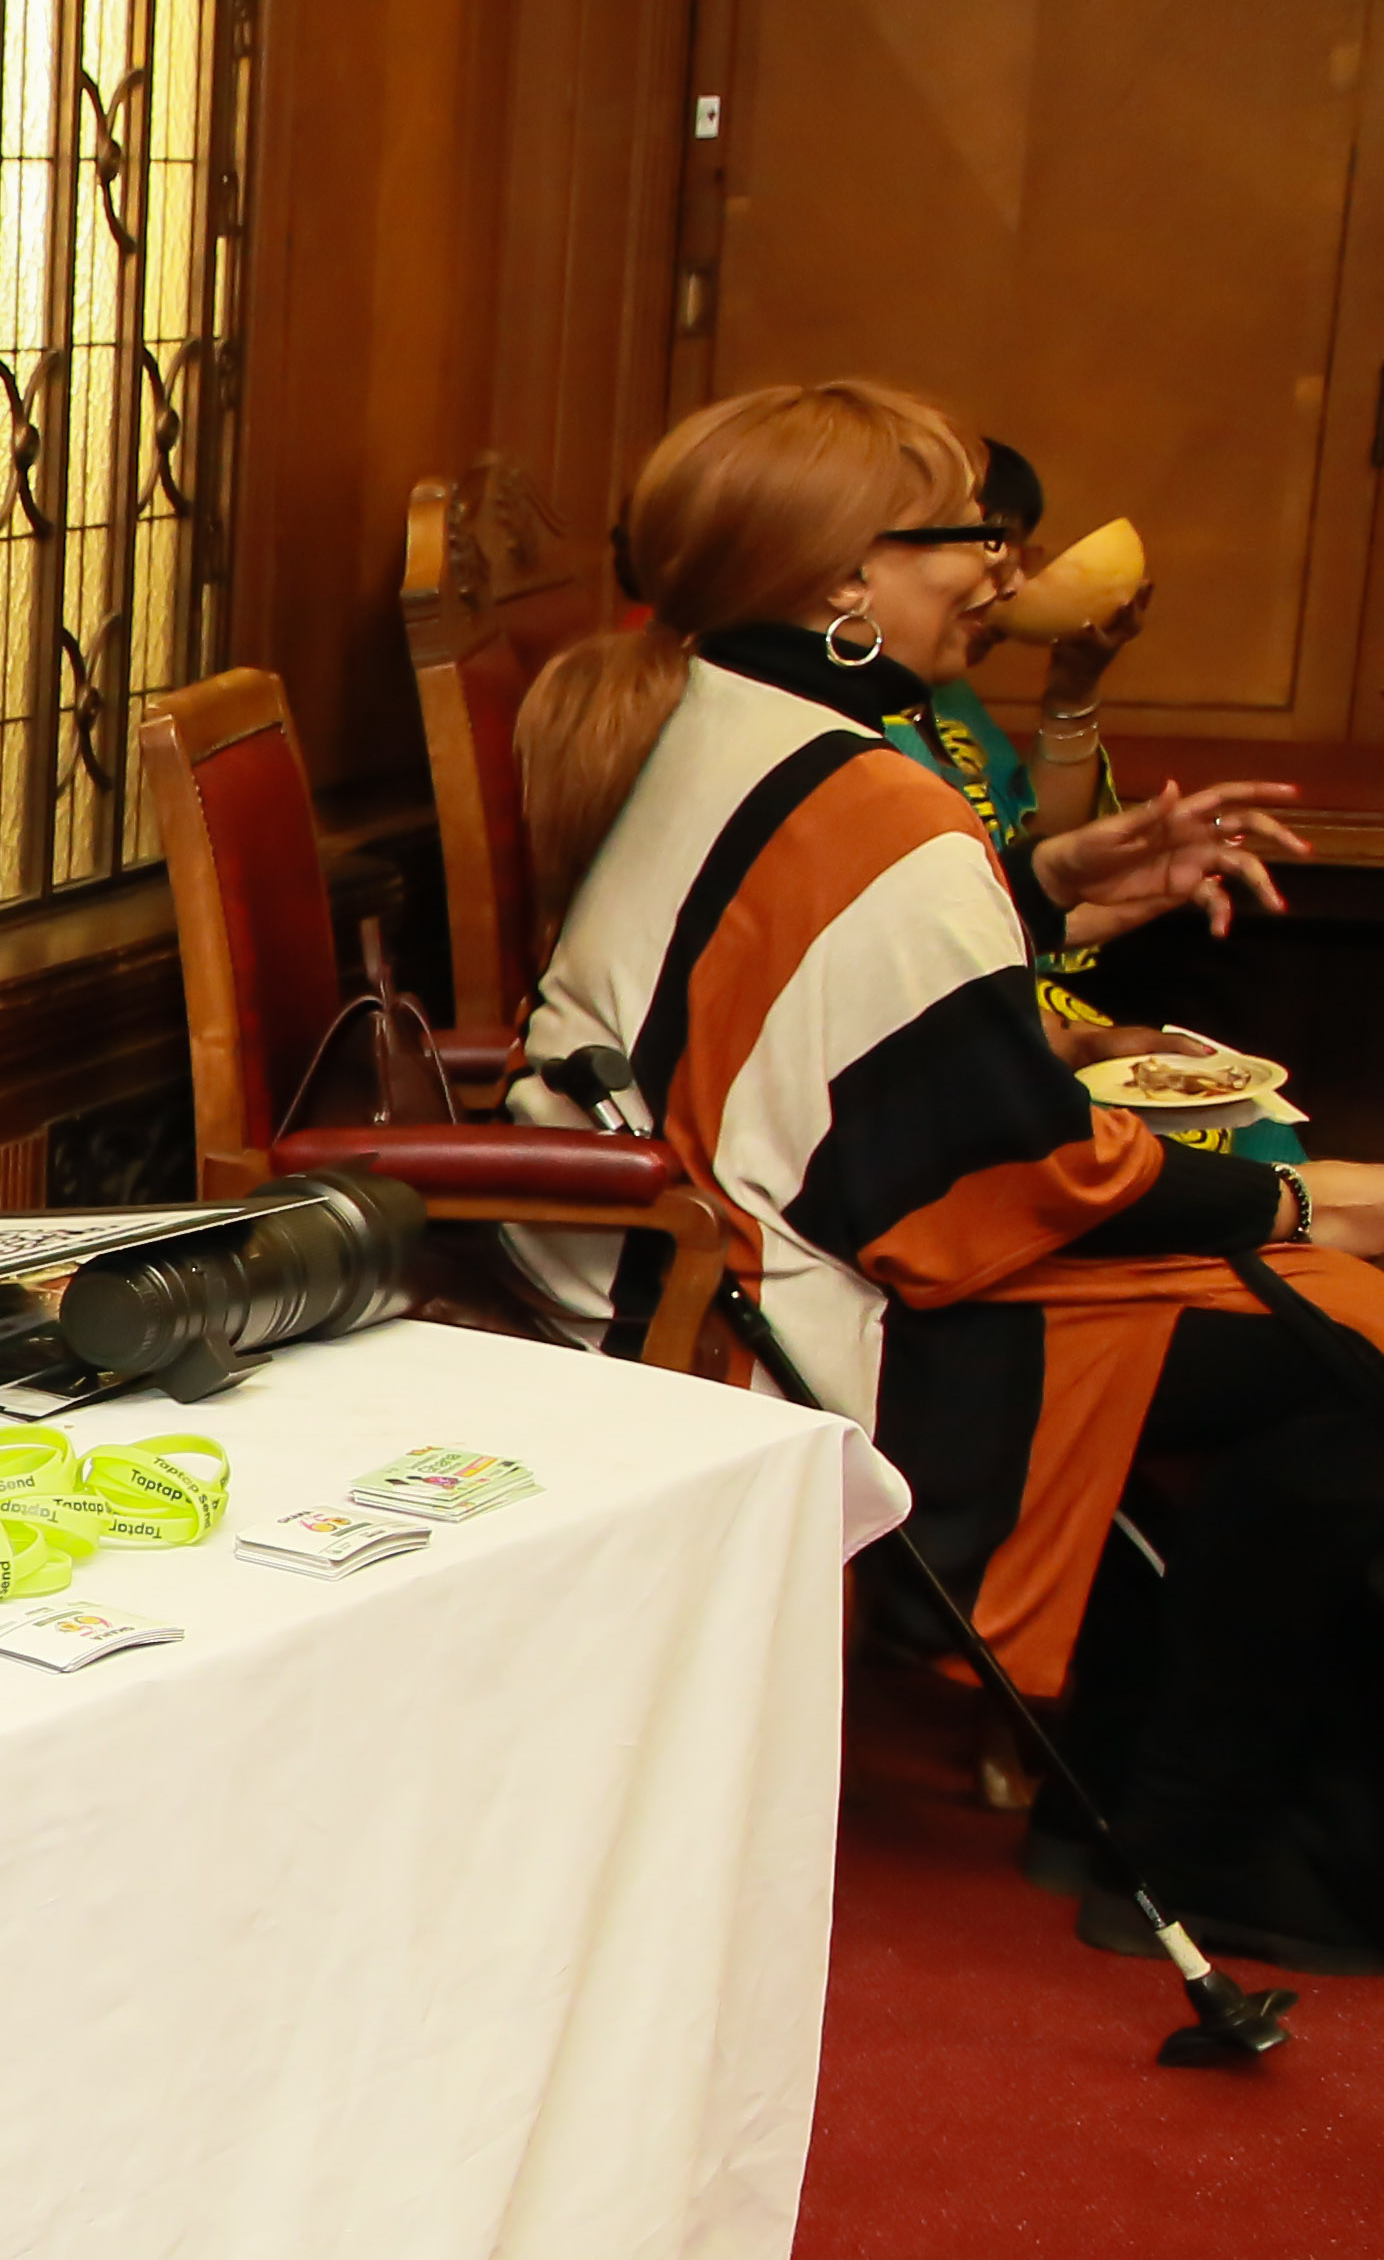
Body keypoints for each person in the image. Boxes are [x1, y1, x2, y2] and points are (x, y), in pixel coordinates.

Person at [509, 379, 1384, 1962]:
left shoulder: (722, 705)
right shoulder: (879, 796)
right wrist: (1302, 1198)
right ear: (847, 574)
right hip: (767, 1328)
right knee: (1349, 1353)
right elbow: (987, 1185)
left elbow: (823, 1002)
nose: (1001, 570)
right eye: (969, 538)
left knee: (1310, 1319)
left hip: (651, 1263)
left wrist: (1041, 890)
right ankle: (1201, 1848)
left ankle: (1124, 1801)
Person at [867, 440, 1300, 1171]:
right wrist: (1069, 1042)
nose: (1006, 582)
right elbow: (899, 959)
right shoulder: (830, 739)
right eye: (981, 546)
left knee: (1247, 1122)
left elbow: (1026, 854)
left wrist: (1073, 692)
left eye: (1010, 552)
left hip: (1006, 1002)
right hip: (944, 1047)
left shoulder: (943, 695)